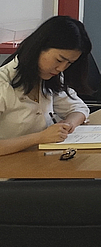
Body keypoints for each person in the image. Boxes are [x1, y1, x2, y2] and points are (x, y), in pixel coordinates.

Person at [0, 16, 92, 156]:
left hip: (39, 159)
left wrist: (68, 125)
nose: (61, 68)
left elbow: (78, 108)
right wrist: (40, 137)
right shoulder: (3, 84)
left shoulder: (49, 78)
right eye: (59, 60)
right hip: (9, 165)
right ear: (39, 48)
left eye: (69, 63)